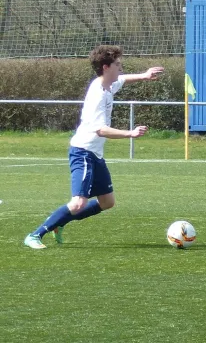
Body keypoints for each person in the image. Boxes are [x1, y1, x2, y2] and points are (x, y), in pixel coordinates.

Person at [24, 45, 164, 249]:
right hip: (83, 152)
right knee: (78, 203)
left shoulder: (109, 84)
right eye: (117, 65)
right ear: (106, 67)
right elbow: (100, 130)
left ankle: (59, 223)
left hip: (95, 154)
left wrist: (144, 75)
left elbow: (123, 79)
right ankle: (35, 235)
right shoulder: (98, 93)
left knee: (107, 202)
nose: (121, 68)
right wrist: (130, 133)